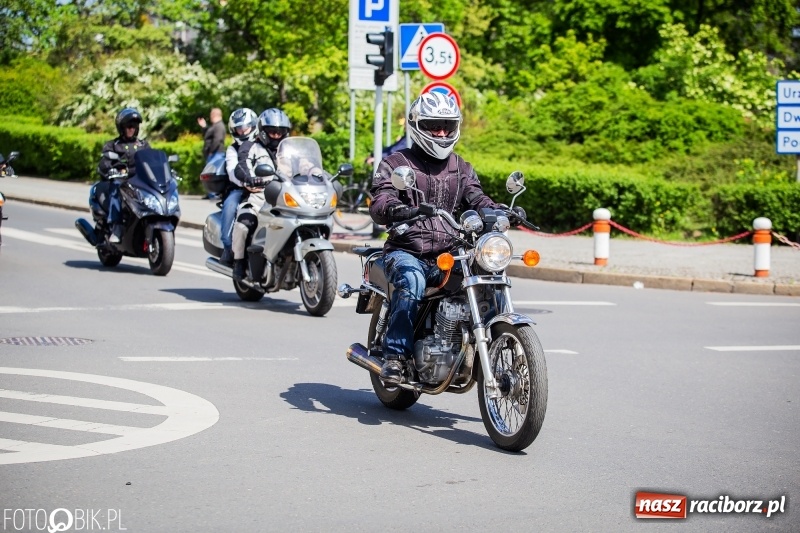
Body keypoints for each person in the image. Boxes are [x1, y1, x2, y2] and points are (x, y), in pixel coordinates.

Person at [368, 92, 527, 384]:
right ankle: (395, 357)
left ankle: (486, 342)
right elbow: (380, 200)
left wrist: (499, 211)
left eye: (447, 126)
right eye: (434, 126)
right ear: (417, 126)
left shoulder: (460, 167)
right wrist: (397, 208)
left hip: (450, 253)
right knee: (411, 279)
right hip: (407, 250)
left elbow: (477, 197)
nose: (441, 133)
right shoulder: (396, 163)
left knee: (487, 276)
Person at [229, 108, 291, 280]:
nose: (276, 136)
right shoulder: (251, 147)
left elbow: (305, 163)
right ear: (263, 131)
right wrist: (250, 178)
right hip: (259, 197)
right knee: (243, 225)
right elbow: (241, 166)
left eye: (280, 132)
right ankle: (238, 261)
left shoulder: (289, 150)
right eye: (272, 132)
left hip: (286, 197)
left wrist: (317, 172)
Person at [97, 108, 150, 243]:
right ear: (121, 127)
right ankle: (117, 226)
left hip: (139, 181)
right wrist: (111, 170)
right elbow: (104, 163)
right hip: (122, 180)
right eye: (129, 126)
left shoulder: (143, 145)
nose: (132, 129)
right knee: (116, 185)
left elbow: (152, 161)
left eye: (134, 126)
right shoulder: (113, 145)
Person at [218, 108, 259, 265]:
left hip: (264, 186)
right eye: (238, 129)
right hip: (240, 187)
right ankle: (228, 247)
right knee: (230, 204)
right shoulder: (233, 148)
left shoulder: (261, 144)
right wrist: (245, 183)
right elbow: (232, 171)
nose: (242, 132)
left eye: (245, 127)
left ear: (253, 125)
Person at [198, 108, 226, 199]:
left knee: (213, 173)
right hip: (213, 153)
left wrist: (211, 151)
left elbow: (218, 140)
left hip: (216, 153)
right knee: (209, 173)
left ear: (214, 115)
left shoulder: (219, 126)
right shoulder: (215, 126)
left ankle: (214, 193)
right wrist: (204, 127)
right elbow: (208, 136)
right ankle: (210, 193)